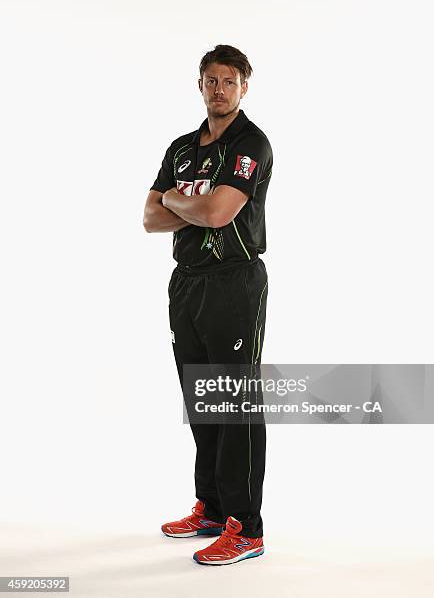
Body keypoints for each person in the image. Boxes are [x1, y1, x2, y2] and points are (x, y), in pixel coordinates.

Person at [143, 44, 273, 566]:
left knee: (235, 402)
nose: (219, 89)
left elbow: (219, 213)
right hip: (186, 283)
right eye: (211, 81)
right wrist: (180, 204)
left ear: (244, 86)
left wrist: (176, 200)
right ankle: (214, 509)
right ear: (200, 85)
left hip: (235, 283)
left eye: (229, 81)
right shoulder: (180, 148)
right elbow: (149, 218)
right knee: (201, 401)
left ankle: (247, 528)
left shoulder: (251, 144)